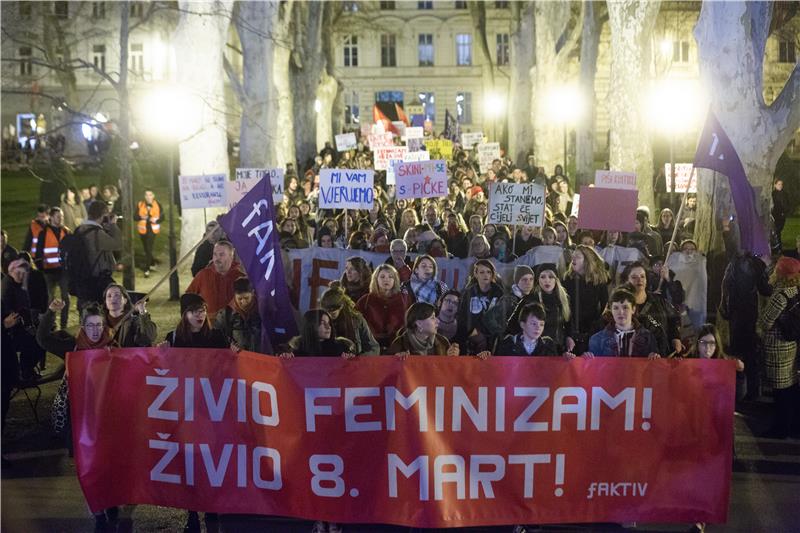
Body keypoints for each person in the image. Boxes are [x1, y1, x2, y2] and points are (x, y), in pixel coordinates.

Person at [35, 300, 119, 530]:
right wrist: (51, 312)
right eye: (90, 325)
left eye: (99, 325)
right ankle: (98, 510)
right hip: (81, 419)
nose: (95, 330)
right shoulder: (73, 346)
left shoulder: (113, 345)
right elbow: (43, 339)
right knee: (89, 466)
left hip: (106, 418)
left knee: (107, 464)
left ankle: (110, 502)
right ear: (82, 326)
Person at [719, 249, 772, 400]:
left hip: (735, 316)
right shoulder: (756, 264)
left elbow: (726, 288)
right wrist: (766, 267)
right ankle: (753, 393)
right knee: (751, 355)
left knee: (737, 353)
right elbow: (766, 290)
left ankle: (736, 392)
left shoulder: (732, 263)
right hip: (749, 315)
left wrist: (726, 311)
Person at [757, 256, 799, 439]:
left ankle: (780, 428)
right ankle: (790, 425)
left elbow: (765, 322)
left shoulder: (780, 295)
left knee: (780, 391)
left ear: (780, 273)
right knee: (789, 388)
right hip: (791, 345)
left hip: (778, 348)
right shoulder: (795, 291)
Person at [623, 262, 683, 357]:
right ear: (626, 280)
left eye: (642, 276)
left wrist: (675, 338)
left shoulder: (659, 301)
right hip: (633, 358)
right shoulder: (621, 305)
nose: (639, 280)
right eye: (634, 277)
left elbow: (673, 319)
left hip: (660, 355)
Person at [583, 288, 661, 358]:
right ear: (611, 310)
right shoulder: (597, 339)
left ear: (633, 309)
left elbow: (653, 370)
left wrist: (655, 358)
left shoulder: (648, 337)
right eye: (616, 308)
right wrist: (587, 359)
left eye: (625, 307)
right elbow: (593, 370)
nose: (621, 312)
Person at [2, 259, 46, 380]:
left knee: (41, 341)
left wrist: (29, 325)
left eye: (24, 273)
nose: (21, 275)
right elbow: (8, 309)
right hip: (10, 331)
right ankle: (25, 371)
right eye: (19, 272)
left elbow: (26, 308)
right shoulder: (7, 286)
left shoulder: (20, 287)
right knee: (34, 343)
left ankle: (26, 370)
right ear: (11, 271)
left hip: (20, 327)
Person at [73, 201, 123, 309]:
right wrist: (113, 224)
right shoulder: (96, 233)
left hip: (82, 278)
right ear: (103, 214)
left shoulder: (79, 229)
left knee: (85, 313)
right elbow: (117, 244)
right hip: (97, 280)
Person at [563, 245, 610, 354]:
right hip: (572, 335)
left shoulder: (599, 282)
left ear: (587, 261)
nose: (573, 259)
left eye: (578, 257)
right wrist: (568, 334)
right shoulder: (567, 280)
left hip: (593, 334)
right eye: (573, 256)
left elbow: (603, 307)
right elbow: (565, 309)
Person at [356, 265, 411, 353]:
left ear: (395, 280)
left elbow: (409, 323)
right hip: (370, 347)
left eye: (390, 277)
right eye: (382, 277)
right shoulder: (365, 300)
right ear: (376, 279)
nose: (386, 279)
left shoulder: (403, 299)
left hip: (397, 347)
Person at [186, 240, 243, 322]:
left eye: (221, 255)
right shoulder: (203, 275)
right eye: (215, 254)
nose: (217, 258)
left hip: (234, 326)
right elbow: (188, 298)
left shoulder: (240, 277)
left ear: (231, 256)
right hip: (207, 327)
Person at [686, 323, 746, 402]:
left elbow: (738, 396)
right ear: (697, 344)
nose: (707, 347)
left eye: (712, 343)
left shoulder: (725, 364)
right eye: (703, 342)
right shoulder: (687, 363)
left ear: (717, 345)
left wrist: (740, 374)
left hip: (716, 411)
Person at [456, 259, 505, 354]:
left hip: (492, 336)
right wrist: (472, 332)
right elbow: (462, 317)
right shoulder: (468, 293)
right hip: (472, 335)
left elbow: (502, 318)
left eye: (488, 272)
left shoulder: (499, 292)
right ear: (476, 274)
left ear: (492, 275)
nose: (485, 275)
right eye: (481, 272)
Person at [319, 282, 380, 356]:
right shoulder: (317, 321)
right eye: (326, 312)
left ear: (341, 307)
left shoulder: (356, 319)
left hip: (354, 363)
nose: (329, 316)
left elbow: (374, 348)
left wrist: (358, 359)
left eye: (333, 313)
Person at [387, 302, 460, 356]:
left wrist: (451, 357)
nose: (438, 321)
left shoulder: (442, 342)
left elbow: (448, 371)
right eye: (432, 318)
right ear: (419, 323)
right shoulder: (400, 343)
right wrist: (397, 360)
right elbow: (387, 370)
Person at [162, 293, 231, 349]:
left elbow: (226, 362)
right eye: (194, 311)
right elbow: (166, 364)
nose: (200, 315)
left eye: (203, 311)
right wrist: (162, 353)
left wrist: (234, 352)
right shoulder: (173, 338)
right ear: (185, 314)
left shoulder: (217, 336)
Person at [279, 309, 356, 358]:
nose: (328, 327)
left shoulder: (341, 348)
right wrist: (286, 360)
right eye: (323, 323)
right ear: (311, 326)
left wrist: (349, 362)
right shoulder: (297, 350)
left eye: (329, 323)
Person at [41, 207, 70, 328]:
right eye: (58, 216)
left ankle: (64, 325)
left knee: (65, 299)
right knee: (50, 298)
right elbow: (38, 252)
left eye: (62, 216)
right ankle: (51, 324)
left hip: (63, 271)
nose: (60, 219)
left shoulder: (66, 231)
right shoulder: (43, 233)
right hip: (48, 271)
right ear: (51, 217)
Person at [102, 283, 157, 347]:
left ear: (125, 300)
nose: (113, 298)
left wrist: (142, 310)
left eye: (117, 295)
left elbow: (149, 337)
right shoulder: (99, 322)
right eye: (109, 296)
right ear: (105, 302)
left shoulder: (134, 322)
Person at [214, 277, 261, 352]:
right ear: (234, 296)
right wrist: (229, 345)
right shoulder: (226, 314)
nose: (243, 302)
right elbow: (217, 337)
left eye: (246, 298)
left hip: (262, 357)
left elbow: (276, 334)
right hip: (237, 358)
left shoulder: (263, 311)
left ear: (253, 293)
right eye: (239, 299)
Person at [494, 303, 560, 356]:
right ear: (522, 325)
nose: (538, 328)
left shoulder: (548, 346)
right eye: (533, 324)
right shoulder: (508, 344)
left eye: (541, 324)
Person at [137, 189, 162, 278]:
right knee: (146, 249)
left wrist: (156, 220)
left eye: (150, 195)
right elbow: (135, 216)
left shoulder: (157, 204)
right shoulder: (140, 204)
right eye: (146, 195)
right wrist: (141, 217)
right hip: (143, 230)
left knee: (148, 248)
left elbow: (162, 217)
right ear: (144, 196)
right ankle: (152, 263)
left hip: (152, 229)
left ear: (153, 195)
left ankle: (147, 270)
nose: (148, 197)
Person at [22, 204, 49, 269]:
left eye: (43, 216)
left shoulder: (52, 226)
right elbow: (28, 242)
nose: (41, 219)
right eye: (39, 216)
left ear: (48, 215)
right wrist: (23, 256)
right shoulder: (33, 226)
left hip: (49, 258)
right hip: (35, 258)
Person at [771, 178, 789, 246]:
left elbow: (787, 204)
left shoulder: (784, 194)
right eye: (779, 184)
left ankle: (778, 246)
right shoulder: (773, 194)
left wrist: (784, 212)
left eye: (781, 184)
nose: (780, 185)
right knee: (776, 232)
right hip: (774, 216)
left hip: (782, 216)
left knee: (778, 231)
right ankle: (778, 247)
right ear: (775, 185)